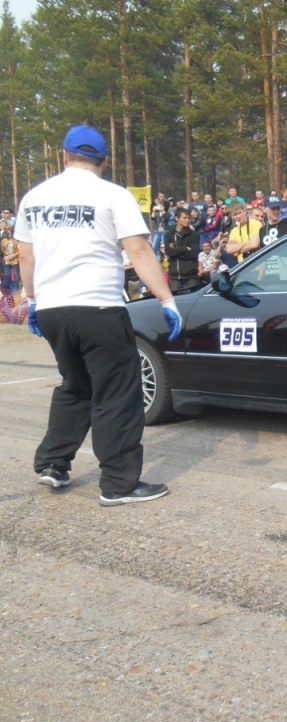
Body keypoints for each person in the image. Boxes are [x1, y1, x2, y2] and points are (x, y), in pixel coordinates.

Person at [15, 124, 181, 506]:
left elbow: (26, 256)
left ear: (64, 156)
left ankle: (52, 464)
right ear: (104, 160)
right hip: (98, 306)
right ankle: (119, 484)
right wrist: (166, 299)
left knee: (75, 385)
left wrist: (35, 299)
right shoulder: (113, 195)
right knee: (117, 393)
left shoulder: (34, 197)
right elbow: (138, 251)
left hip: (55, 309)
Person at [163, 206, 201, 291]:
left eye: (188, 218)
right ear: (177, 218)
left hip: (191, 274)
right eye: (184, 218)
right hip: (175, 275)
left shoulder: (194, 235)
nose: (187, 220)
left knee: (191, 301)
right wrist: (184, 249)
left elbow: (194, 253)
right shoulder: (169, 234)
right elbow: (168, 251)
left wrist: (175, 251)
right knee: (176, 301)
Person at [223, 201, 262, 266]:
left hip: (257, 264)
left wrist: (237, 250)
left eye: (240, 213)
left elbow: (255, 244)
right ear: (231, 216)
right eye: (235, 214)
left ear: (245, 211)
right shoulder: (234, 231)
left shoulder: (256, 223)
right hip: (243, 267)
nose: (238, 216)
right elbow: (229, 249)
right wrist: (248, 243)